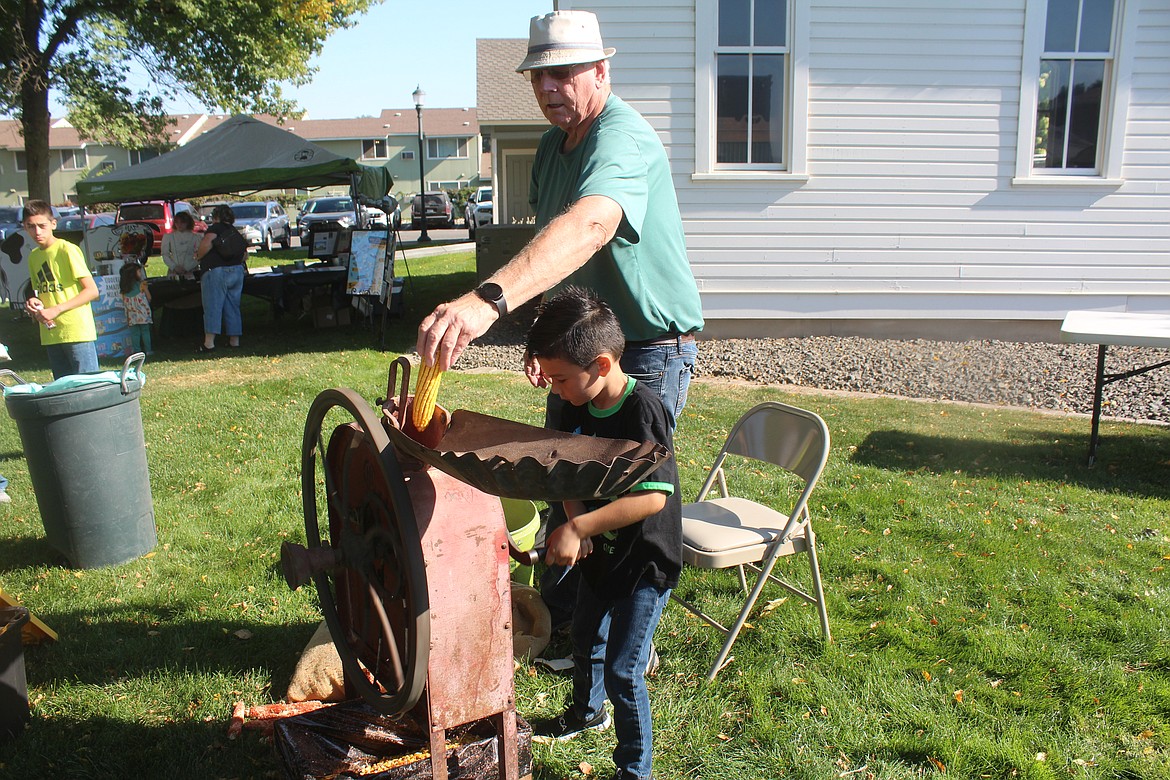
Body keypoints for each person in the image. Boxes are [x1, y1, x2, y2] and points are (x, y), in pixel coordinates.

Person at [416, 10, 702, 626]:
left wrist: (487, 300)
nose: (548, 89)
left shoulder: (621, 138)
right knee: (561, 479)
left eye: (563, 74)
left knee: (622, 496)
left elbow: (590, 227)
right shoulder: (551, 148)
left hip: (642, 352)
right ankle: (567, 625)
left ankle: (622, 648)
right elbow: (556, 254)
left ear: (601, 70)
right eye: (537, 77)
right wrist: (544, 339)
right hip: (575, 348)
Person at [525, 286, 680, 780]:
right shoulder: (575, 403)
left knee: (623, 670)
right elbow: (567, 472)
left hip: (643, 563)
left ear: (602, 365)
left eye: (562, 378)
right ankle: (585, 713)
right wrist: (575, 515)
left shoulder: (643, 412)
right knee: (586, 636)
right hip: (599, 555)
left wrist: (579, 525)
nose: (556, 390)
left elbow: (654, 498)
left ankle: (635, 770)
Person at [21, 200, 99, 379]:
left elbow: (92, 291)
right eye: (31, 226)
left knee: (88, 389)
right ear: (25, 227)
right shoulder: (34, 257)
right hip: (51, 334)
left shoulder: (67, 250)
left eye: (42, 225)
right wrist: (35, 302)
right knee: (64, 391)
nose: (37, 232)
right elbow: (41, 292)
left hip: (76, 331)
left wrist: (56, 309)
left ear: (53, 224)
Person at [195, 204, 245, 352]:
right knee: (233, 306)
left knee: (213, 306)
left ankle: (209, 343)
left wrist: (198, 257)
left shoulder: (215, 229)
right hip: (236, 270)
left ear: (216, 217)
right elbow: (244, 254)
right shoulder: (234, 231)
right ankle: (234, 340)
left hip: (216, 271)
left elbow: (206, 245)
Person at [119, 262, 153, 356]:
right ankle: (148, 350)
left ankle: (137, 351)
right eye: (139, 271)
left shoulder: (123, 289)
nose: (140, 273)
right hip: (143, 313)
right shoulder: (142, 285)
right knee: (145, 331)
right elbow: (149, 297)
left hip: (131, 314)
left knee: (135, 333)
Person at [162, 211, 200, 278]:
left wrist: (188, 267)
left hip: (191, 271)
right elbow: (165, 254)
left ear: (188, 223)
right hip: (174, 272)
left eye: (182, 222)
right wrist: (174, 267)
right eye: (177, 222)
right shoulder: (168, 237)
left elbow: (200, 255)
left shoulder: (196, 237)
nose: (179, 225)